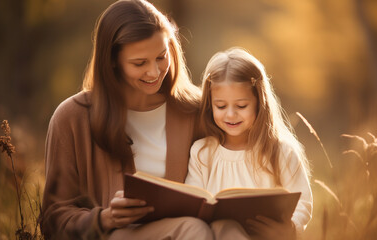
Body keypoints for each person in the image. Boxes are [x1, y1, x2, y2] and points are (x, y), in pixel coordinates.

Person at [41, 0, 214, 239]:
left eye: (161, 57)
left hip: (190, 233)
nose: (154, 72)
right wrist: (105, 218)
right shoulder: (71, 117)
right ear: (112, 61)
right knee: (193, 230)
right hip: (118, 235)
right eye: (139, 63)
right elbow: (53, 218)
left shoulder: (196, 111)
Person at [185, 47, 313, 239]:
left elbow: (303, 201)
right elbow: (192, 203)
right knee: (224, 227)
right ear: (210, 104)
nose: (230, 114)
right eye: (221, 106)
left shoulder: (280, 151)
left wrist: (289, 229)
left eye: (241, 106)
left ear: (259, 102)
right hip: (214, 236)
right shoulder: (202, 152)